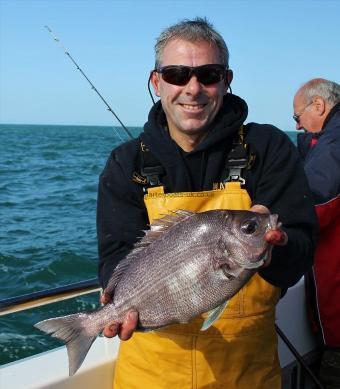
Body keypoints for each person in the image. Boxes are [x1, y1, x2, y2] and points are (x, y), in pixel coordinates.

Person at [97, 17, 317, 389]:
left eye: (209, 74)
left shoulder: (267, 149)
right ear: (157, 82)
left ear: (227, 80)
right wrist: (117, 304)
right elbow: (116, 256)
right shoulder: (126, 163)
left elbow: (300, 249)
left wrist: (272, 245)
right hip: (150, 373)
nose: (193, 89)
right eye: (177, 74)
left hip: (246, 373)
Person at [293, 78, 340, 389]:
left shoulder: (334, 142)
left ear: (319, 106)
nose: (297, 125)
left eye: (297, 117)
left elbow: (314, 202)